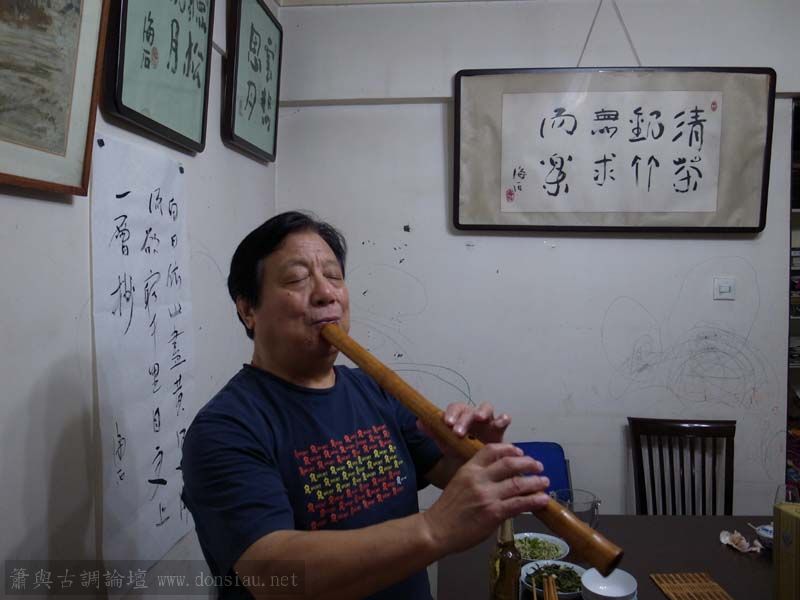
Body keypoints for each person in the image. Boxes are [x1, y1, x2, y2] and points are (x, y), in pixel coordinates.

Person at [181, 211, 550, 599]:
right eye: (296, 279)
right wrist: (434, 528)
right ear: (247, 310)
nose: (327, 293)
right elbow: (273, 573)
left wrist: (472, 454)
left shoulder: (373, 388)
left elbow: (445, 471)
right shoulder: (224, 428)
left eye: (334, 276)